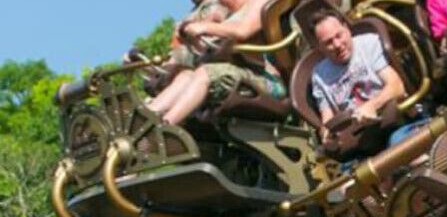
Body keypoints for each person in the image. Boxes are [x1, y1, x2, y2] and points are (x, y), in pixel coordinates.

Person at [145, 0, 286, 125]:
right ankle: (146, 118)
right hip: (238, 76)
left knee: (205, 74)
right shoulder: (228, 16)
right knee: (185, 76)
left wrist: (205, 27)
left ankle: (164, 126)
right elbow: (211, 55)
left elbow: (244, 31)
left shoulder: (258, 3)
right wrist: (193, 41)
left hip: (267, 82)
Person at [309, 7, 423, 147]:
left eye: (339, 36)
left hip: (396, 120)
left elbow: (397, 87)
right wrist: (327, 135)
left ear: (346, 28)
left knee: (396, 141)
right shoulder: (319, 75)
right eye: (329, 42)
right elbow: (327, 121)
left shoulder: (368, 44)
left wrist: (372, 106)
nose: (337, 45)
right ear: (319, 47)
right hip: (361, 139)